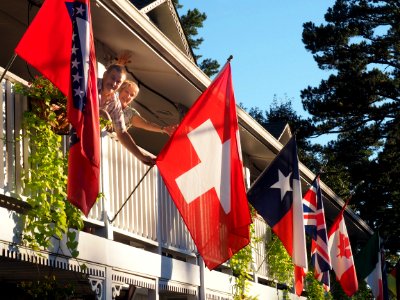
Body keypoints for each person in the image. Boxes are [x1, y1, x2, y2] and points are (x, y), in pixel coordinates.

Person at [98, 64, 155, 166]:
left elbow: (122, 133)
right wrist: (101, 112)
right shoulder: (89, 83)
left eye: (118, 82)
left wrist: (141, 156)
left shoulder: (115, 103)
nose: (114, 83)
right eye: (112, 78)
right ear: (105, 75)